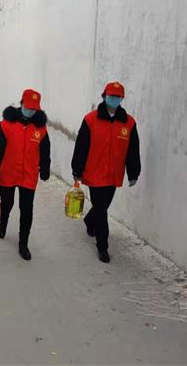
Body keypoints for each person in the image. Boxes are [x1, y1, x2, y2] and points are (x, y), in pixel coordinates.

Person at [71, 81, 141, 263]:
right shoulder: (90, 120)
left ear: (122, 99)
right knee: (102, 210)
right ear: (104, 96)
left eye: (118, 97)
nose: (114, 99)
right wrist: (77, 169)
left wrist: (133, 172)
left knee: (102, 206)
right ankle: (103, 246)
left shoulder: (129, 123)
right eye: (111, 96)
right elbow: (81, 147)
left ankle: (89, 220)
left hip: (113, 174)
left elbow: (133, 150)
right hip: (94, 173)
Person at [0, 89, 51, 261]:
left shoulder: (41, 128)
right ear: (21, 103)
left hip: (28, 175)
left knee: (27, 209)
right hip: (8, 173)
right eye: (28, 107)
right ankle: (4, 221)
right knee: (7, 204)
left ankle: (23, 243)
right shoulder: (6, 125)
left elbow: (45, 151)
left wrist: (45, 169)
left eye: (34, 108)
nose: (30, 111)